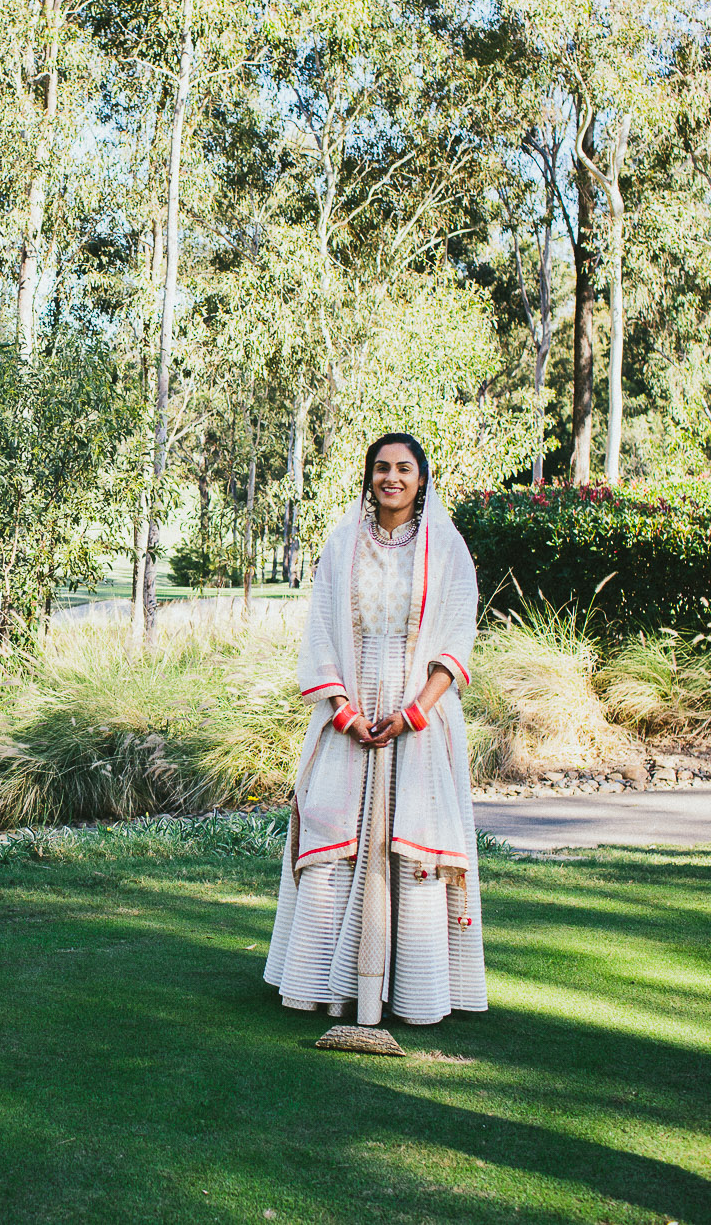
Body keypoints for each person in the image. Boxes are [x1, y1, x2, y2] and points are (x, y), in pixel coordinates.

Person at [263, 432, 486, 1026]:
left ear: (421, 478)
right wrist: (346, 712)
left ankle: (412, 993)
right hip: (351, 714)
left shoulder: (447, 550)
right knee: (337, 836)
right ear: (369, 478)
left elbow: (458, 636)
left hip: (420, 717)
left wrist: (415, 712)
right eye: (382, 468)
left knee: (411, 846)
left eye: (404, 468)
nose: (392, 478)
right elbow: (318, 632)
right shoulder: (341, 546)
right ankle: (326, 988)